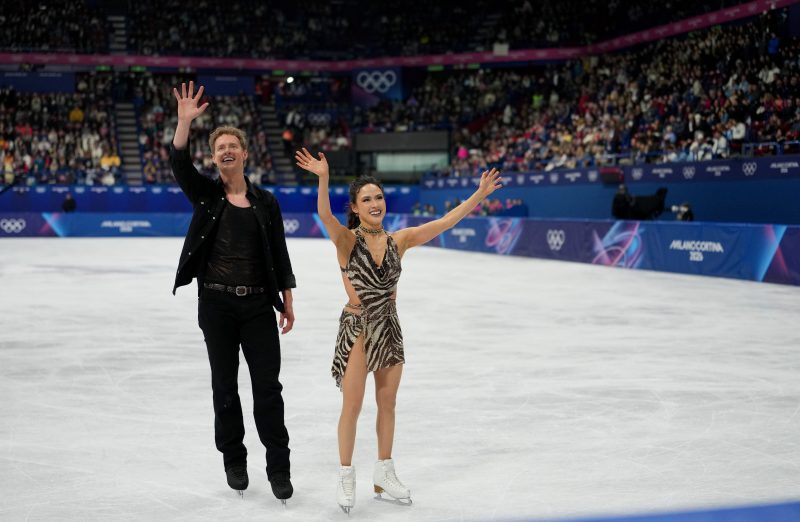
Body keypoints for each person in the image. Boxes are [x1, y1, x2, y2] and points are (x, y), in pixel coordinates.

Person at [295, 147, 502, 514]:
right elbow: (325, 215)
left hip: (389, 326)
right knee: (352, 405)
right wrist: (323, 178)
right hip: (358, 328)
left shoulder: (399, 241)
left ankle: (384, 472)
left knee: (387, 402)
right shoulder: (346, 241)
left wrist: (479, 195)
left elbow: (444, 223)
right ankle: (346, 475)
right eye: (366, 199)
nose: (375, 203)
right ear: (355, 207)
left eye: (378, 197)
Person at [170, 82, 296, 503]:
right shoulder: (207, 195)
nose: (226, 151)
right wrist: (184, 122)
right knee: (225, 387)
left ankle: (279, 468)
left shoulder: (266, 202)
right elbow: (179, 164)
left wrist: (287, 299)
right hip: (217, 305)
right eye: (219, 147)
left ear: (244, 154)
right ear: (214, 157)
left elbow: (279, 252)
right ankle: (234, 460)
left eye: (232, 146)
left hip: (259, 305)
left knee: (268, 389)